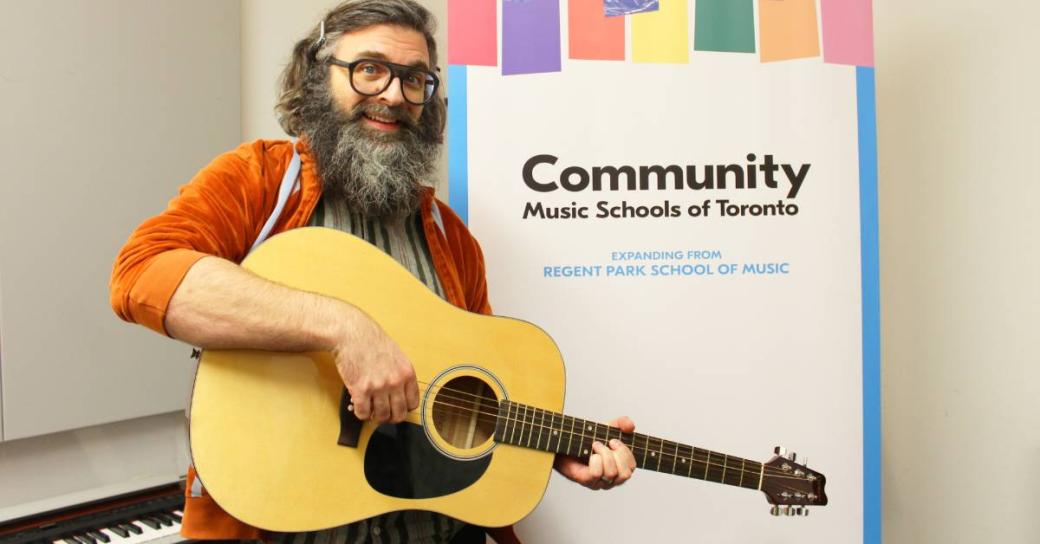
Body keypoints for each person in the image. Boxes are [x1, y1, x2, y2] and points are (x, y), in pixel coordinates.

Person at [109, 1, 636, 542]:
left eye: (415, 79)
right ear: (317, 75)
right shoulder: (260, 180)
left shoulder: (452, 238)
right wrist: (344, 328)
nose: (392, 94)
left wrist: (550, 452)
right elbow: (143, 275)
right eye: (369, 69)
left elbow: (458, 399)